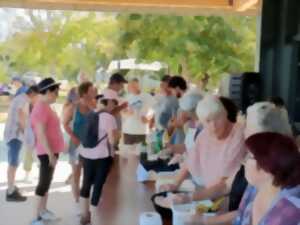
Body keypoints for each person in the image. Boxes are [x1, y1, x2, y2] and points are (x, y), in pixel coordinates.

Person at [177, 101, 294, 225]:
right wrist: (190, 200)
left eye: (248, 128)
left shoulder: (284, 193)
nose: (244, 132)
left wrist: (208, 220)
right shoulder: (255, 165)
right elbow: (226, 187)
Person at [160, 95, 246, 190]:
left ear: (225, 114)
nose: (213, 126)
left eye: (217, 118)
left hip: (226, 194)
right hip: (208, 190)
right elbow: (190, 160)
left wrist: (196, 197)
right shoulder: (203, 134)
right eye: (208, 121)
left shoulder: (238, 134)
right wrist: (175, 184)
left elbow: (224, 181)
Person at [233, 132, 300, 225]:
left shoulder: (293, 208)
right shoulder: (253, 189)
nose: (243, 161)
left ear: (265, 166)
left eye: (248, 156)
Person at [78, 91, 119, 225]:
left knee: (86, 183)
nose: (114, 105)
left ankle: (84, 215)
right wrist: (116, 137)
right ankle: (94, 218)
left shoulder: (91, 113)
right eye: (114, 102)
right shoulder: (109, 118)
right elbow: (112, 142)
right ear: (109, 102)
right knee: (98, 185)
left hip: (86, 153)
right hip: (101, 156)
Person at [30, 78, 65, 225]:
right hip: (46, 152)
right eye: (56, 93)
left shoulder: (46, 107)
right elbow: (41, 134)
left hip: (51, 151)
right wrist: (50, 154)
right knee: (43, 183)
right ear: (48, 91)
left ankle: (43, 211)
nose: (57, 96)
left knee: (47, 182)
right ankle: (35, 217)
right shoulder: (41, 108)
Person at [63, 81, 95, 211]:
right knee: (76, 173)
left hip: (89, 145)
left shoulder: (93, 105)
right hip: (76, 145)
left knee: (88, 174)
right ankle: (77, 202)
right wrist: (75, 138)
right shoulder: (73, 107)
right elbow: (65, 124)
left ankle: (83, 198)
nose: (95, 92)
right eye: (92, 90)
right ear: (85, 92)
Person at [4, 85, 39, 202]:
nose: (38, 100)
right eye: (38, 96)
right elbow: (21, 116)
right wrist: (27, 135)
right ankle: (10, 192)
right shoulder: (23, 100)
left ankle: (12, 187)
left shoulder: (20, 98)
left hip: (14, 134)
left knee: (14, 163)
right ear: (34, 94)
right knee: (13, 163)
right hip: (14, 135)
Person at [122, 78, 155, 145]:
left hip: (142, 131)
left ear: (138, 86)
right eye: (130, 86)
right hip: (128, 131)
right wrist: (126, 113)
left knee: (142, 152)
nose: (132, 88)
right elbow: (122, 112)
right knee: (128, 153)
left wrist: (148, 118)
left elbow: (154, 109)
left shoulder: (146, 96)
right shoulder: (126, 97)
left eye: (134, 86)